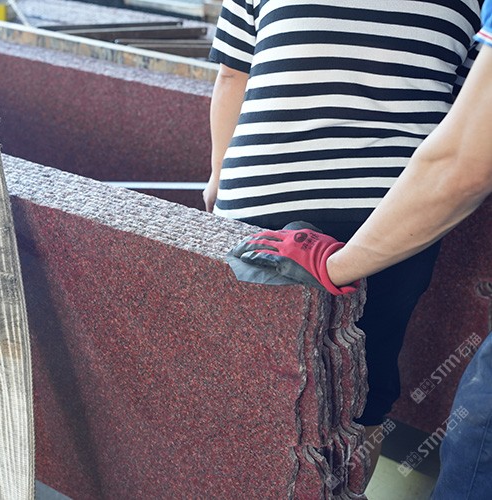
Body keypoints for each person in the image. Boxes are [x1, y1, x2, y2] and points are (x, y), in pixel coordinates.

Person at [206, 0, 482, 480]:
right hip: (393, 214)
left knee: (235, 382)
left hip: (263, 198)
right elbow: (464, 117)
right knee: (363, 392)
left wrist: (216, 178)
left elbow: (233, 75)